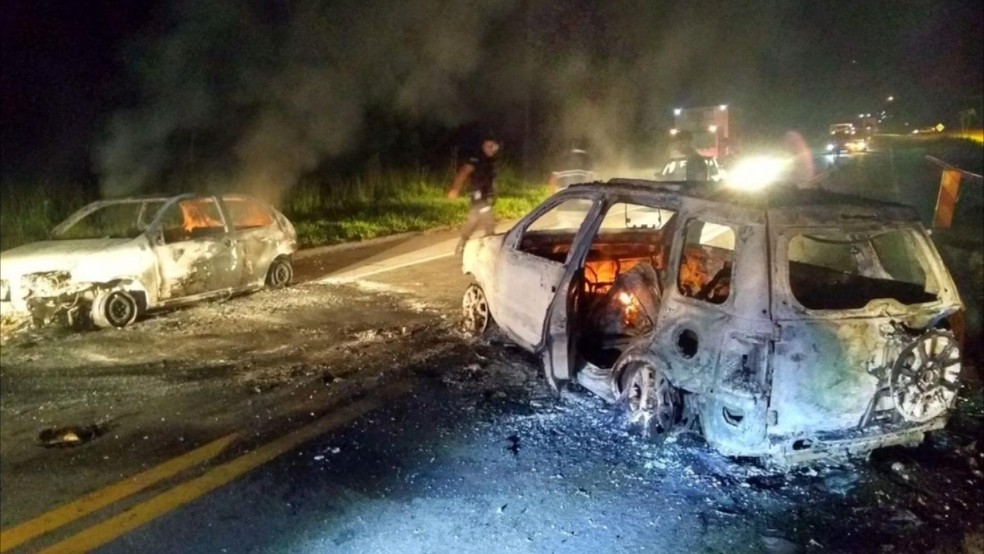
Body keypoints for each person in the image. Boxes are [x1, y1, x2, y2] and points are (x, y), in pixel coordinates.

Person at [447, 134, 500, 255]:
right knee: (488, 219)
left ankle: (463, 244)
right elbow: (463, 173)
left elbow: (490, 180)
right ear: (483, 146)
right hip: (477, 194)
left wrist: (493, 193)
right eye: (488, 146)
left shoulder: (490, 160)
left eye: (493, 147)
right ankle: (489, 244)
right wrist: (455, 189)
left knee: (475, 219)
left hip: (485, 195)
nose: (491, 149)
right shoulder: (476, 158)